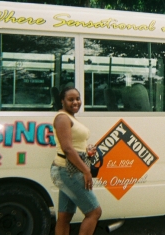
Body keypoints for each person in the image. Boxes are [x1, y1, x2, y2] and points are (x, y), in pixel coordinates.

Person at [50, 86, 102, 235]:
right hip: (68, 171)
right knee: (94, 212)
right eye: (70, 99)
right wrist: (86, 171)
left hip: (68, 170)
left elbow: (73, 145)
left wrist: (86, 151)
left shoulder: (70, 117)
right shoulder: (62, 118)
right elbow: (67, 149)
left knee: (65, 217)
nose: (75, 102)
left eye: (77, 99)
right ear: (62, 101)